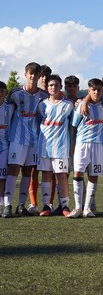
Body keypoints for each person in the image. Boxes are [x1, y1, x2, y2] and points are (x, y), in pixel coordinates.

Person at [2, 62, 48, 218]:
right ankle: (7, 205)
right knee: (13, 170)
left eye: (36, 73)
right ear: (26, 74)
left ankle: (21, 205)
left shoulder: (43, 96)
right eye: (31, 73)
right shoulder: (15, 93)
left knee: (28, 172)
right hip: (17, 139)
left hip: (34, 140)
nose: (33, 76)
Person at [68, 78, 103, 218]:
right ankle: (77, 207)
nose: (96, 92)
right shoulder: (81, 106)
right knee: (78, 173)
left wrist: (85, 99)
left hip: (98, 145)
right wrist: (72, 147)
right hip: (82, 144)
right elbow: (72, 127)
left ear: (102, 90)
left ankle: (87, 208)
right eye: (93, 90)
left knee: (93, 175)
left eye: (99, 90)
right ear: (89, 90)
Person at [36, 74, 74, 217]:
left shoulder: (68, 105)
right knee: (46, 174)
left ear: (60, 87)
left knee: (62, 176)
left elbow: (72, 125)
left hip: (61, 147)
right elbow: (38, 123)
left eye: (56, 85)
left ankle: (64, 206)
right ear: (47, 87)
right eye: (51, 85)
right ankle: (46, 205)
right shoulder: (42, 105)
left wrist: (71, 146)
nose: (53, 87)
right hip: (44, 146)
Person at [28, 64, 53, 215]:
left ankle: (48, 204)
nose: (44, 78)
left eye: (46, 76)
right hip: (31, 138)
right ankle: (33, 203)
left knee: (50, 171)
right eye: (42, 75)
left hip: (48, 140)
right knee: (33, 171)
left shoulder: (52, 95)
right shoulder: (32, 93)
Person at [0, 82, 14, 216]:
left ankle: (3, 205)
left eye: (2, 91)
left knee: (2, 177)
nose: (0, 93)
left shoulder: (10, 108)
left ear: (6, 92)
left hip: (5, 147)